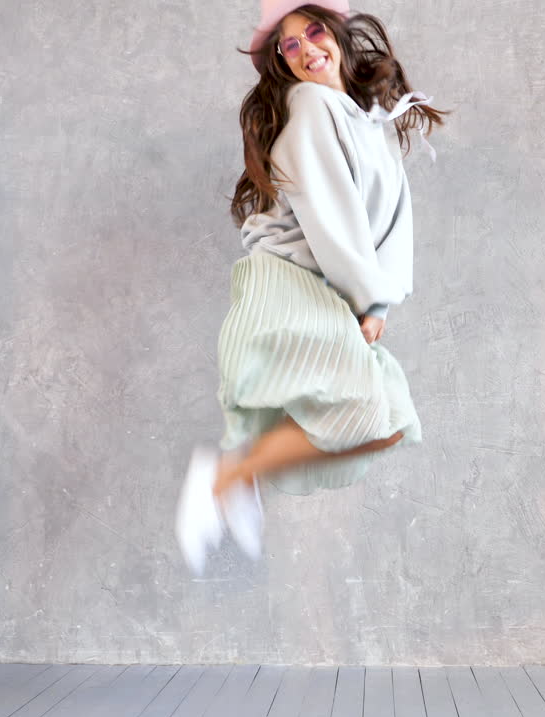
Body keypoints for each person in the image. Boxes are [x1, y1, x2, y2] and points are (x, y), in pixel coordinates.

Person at [175, 0, 446, 575]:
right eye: (290, 45)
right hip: (290, 284)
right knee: (365, 412)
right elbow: (332, 217)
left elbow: (392, 221)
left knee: (390, 423)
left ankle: (236, 477)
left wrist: (381, 301)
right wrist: (370, 299)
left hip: (320, 287)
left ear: (339, 35)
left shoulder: (365, 119)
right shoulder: (313, 105)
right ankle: (226, 478)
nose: (305, 50)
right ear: (282, 62)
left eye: (314, 32)